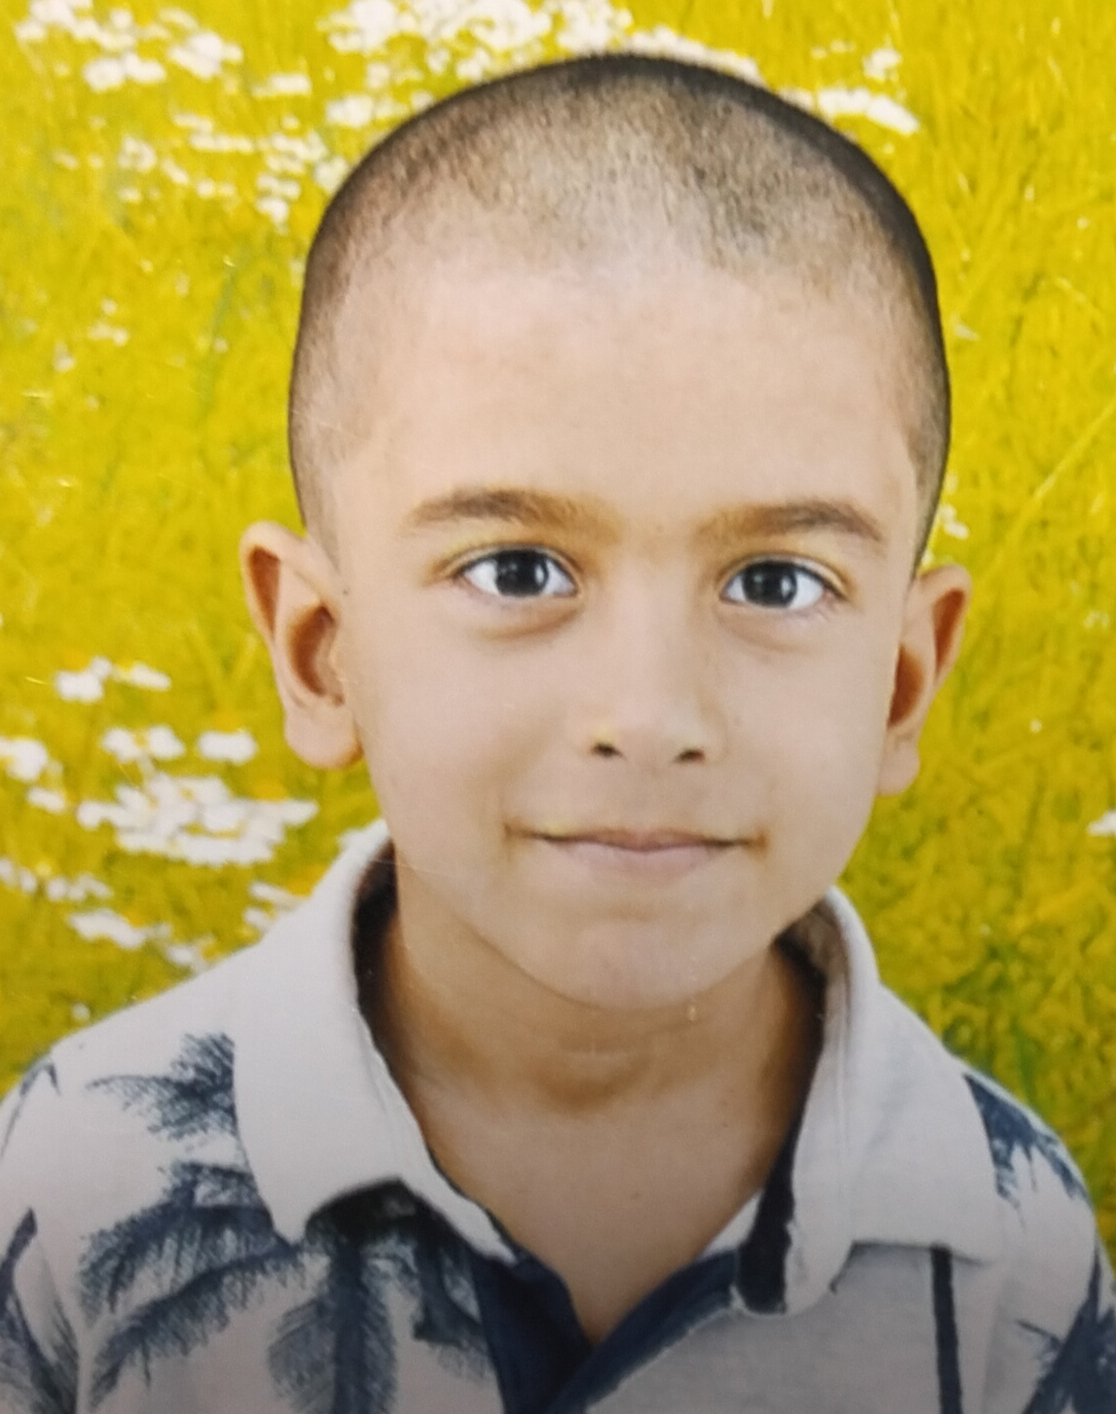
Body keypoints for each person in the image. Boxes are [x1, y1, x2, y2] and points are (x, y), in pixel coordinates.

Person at [1, 52, 1112, 1414]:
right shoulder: (74, 1184)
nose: (647, 716)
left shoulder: (1009, 1242)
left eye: (776, 582)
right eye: (517, 570)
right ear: (321, 650)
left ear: (901, 683)